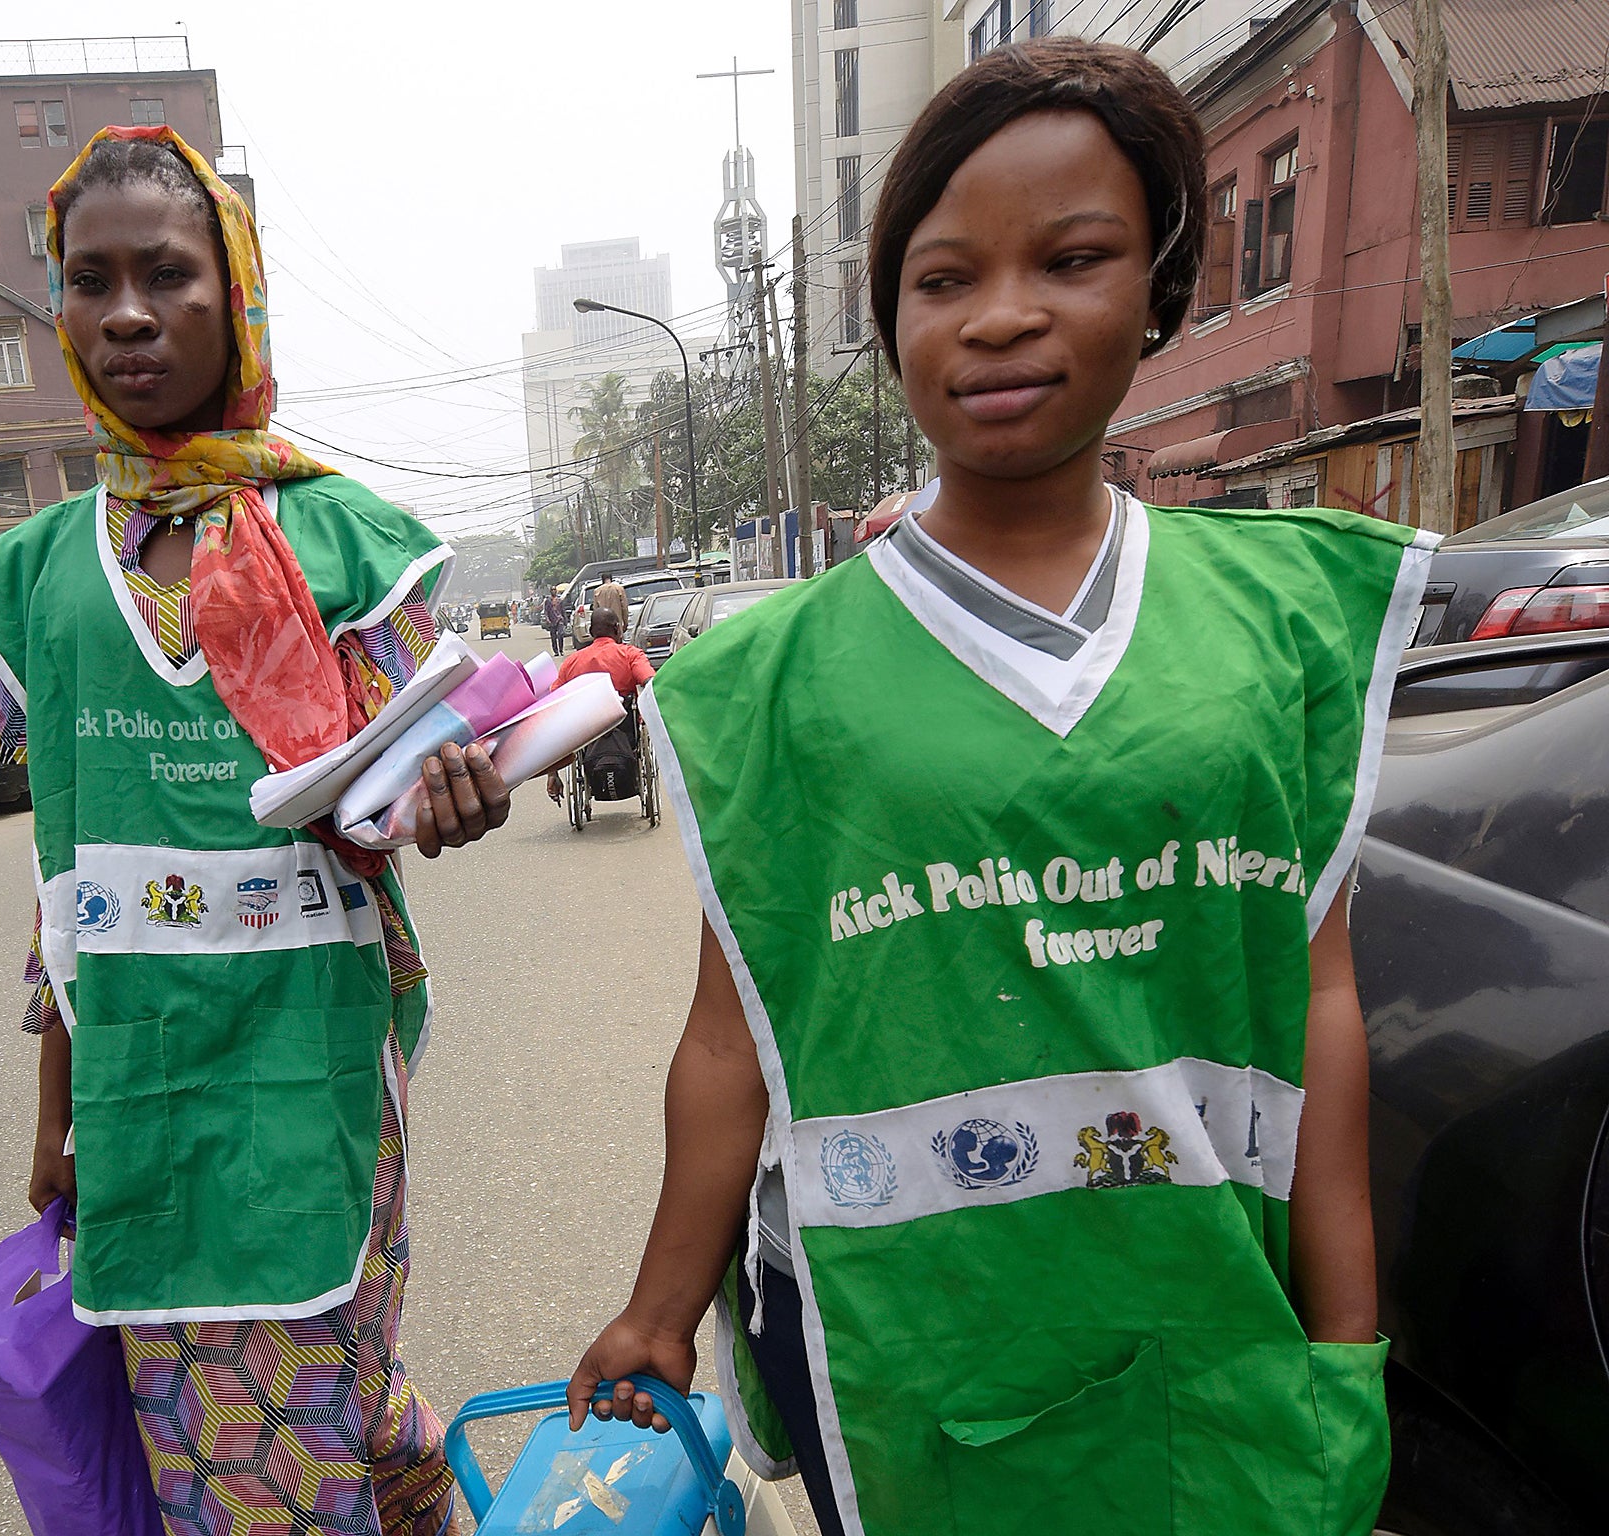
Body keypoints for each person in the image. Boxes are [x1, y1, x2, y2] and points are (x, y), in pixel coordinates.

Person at [569, 40, 1426, 1536]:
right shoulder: (778, 680)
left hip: (1210, 1306)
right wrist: (660, 1307)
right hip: (911, 1335)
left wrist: (1345, 1338)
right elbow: (731, 1040)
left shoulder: (1278, 623)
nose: (1004, 316)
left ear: (1160, 292)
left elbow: (1322, 998)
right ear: (893, 318)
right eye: (945, 278)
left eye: (1073, 258)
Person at [0, 126, 509, 1536]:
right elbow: (62, 875)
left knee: (295, 1400)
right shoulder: (33, 582)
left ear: (237, 296)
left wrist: (450, 797)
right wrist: (55, 1108)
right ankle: (421, 1495)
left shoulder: (350, 544)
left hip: (311, 1060)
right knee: (289, 1410)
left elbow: (416, 773)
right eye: (92, 280)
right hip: (139, 1083)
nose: (130, 311)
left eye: (169, 274)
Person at [544, 607, 655, 803]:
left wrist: (552, 772)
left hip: (587, 736)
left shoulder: (571, 662)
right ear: (617, 629)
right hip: (626, 731)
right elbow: (649, 682)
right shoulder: (630, 654)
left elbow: (553, 706)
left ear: (591, 631)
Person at [544, 588, 566, 655]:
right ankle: (556, 651)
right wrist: (547, 619)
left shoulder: (560, 600)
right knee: (553, 637)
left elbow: (563, 611)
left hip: (559, 620)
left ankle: (561, 650)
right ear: (550, 591)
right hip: (552, 621)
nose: (553, 591)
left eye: (554, 590)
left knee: (560, 634)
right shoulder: (548, 601)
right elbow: (546, 611)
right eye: (552, 590)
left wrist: (565, 620)